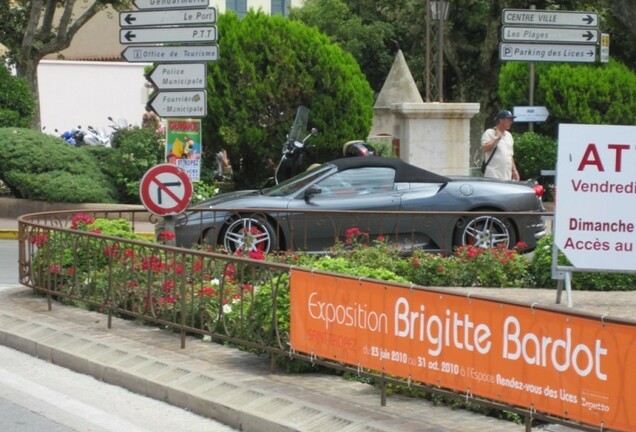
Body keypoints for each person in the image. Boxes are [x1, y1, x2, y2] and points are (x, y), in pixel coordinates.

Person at [480, 110, 520, 181]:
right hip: (493, 176)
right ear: (501, 120)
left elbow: (510, 155)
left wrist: (514, 170)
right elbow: (485, 148)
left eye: (511, 120)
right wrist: (496, 137)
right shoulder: (489, 133)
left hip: (507, 176)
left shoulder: (509, 135)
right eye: (508, 119)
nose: (511, 122)